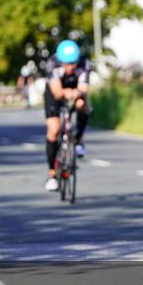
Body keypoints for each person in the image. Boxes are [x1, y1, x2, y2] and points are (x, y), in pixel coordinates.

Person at [43, 40, 90, 191]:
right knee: (54, 129)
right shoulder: (52, 63)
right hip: (55, 92)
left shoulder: (85, 63)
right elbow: (57, 92)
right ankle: (51, 174)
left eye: (73, 64)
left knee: (82, 106)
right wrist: (66, 93)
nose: (70, 67)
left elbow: (84, 87)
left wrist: (77, 93)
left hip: (74, 87)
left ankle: (78, 139)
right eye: (66, 64)